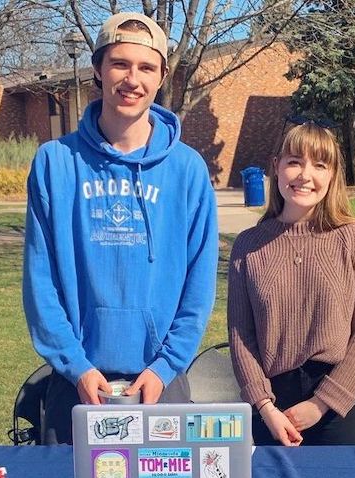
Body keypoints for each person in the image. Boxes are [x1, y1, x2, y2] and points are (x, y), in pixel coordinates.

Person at [23, 12, 218, 444]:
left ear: (162, 75)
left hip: (159, 384)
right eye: (120, 64)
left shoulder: (187, 170)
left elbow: (199, 285)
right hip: (77, 386)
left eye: (146, 67)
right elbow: (41, 283)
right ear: (97, 68)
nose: (133, 79)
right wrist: (75, 365)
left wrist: (165, 366)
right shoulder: (55, 163)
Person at [227, 120, 355, 447]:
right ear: (277, 168)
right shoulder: (248, 246)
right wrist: (266, 407)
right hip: (270, 405)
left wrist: (321, 404)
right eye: (294, 162)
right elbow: (241, 337)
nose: (304, 175)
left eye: (319, 165)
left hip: (337, 401)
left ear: (333, 175)